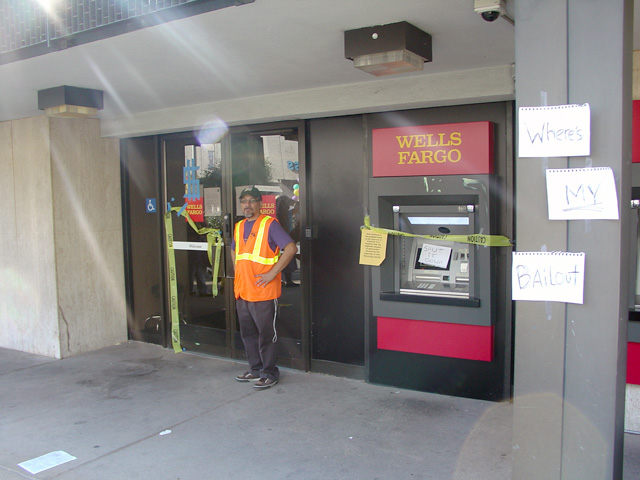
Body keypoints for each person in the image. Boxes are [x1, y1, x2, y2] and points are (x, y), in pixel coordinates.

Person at [231, 186, 296, 389]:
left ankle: (270, 373)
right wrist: (240, 272)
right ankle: (255, 370)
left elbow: (291, 248)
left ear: (260, 203)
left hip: (263, 292)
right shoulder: (239, 226)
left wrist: (272, 273)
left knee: (266, 335)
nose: (247, 205)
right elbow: (235, 251)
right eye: (244, 201)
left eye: (251, 201)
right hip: (243, 291)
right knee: (248, 334)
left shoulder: (270, 224)